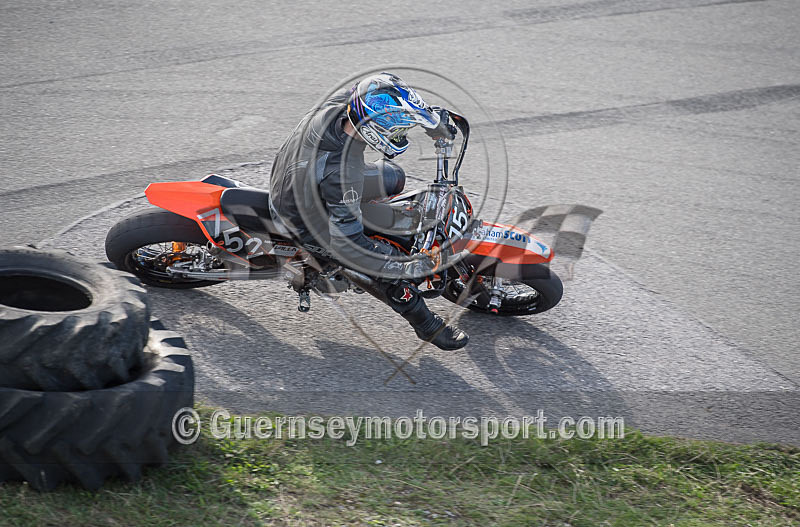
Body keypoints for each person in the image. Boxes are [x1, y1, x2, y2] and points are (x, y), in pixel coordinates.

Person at [269, 72, 469, 350]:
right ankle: (426, 325)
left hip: (298, 176)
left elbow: (382, 95)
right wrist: (400, 263)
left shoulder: (343, 105)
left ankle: (364, 217)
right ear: (375, 130)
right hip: (301, 221)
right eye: (397, 131)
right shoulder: (343, 173)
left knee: (394, 176)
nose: (400, 135)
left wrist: (432, 122)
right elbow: (349, 245)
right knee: (389, 267)